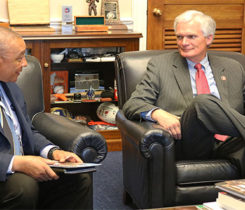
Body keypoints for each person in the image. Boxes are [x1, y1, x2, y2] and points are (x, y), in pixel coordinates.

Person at [123, 10, 245, 169]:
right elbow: (133, 104)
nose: (183, 42)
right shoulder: (160, 66)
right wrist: (158, 113)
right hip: (190, 142)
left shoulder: (233, 67)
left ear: (209, 38)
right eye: (179, 37)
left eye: (191, 36)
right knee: (203, 102)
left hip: (231, 141)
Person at [0, 26, 92, 209]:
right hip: (5, 171)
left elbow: (28, 131)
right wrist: (17, 163)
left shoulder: (11, 87)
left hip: (24, 165)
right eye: (19, 58)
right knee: (24, 187)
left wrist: (52, 152)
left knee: (79, 178)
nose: (25, 64)